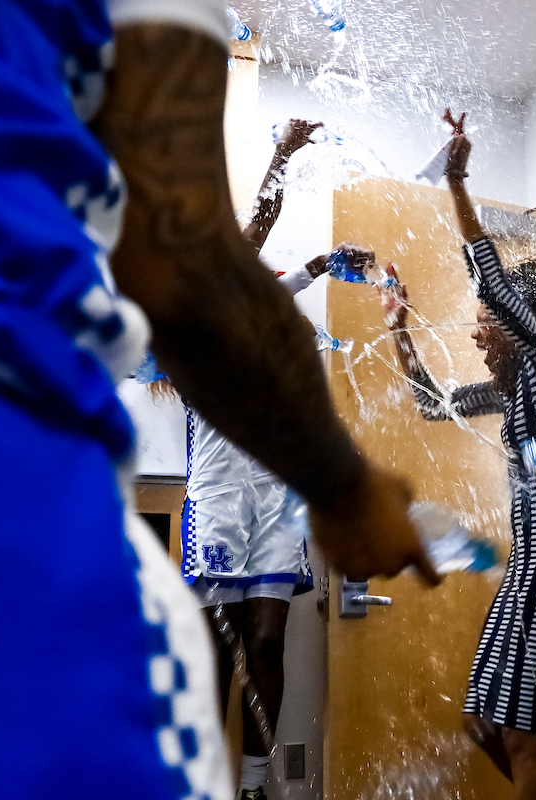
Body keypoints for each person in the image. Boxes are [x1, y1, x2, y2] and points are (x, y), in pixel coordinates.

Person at [0, 3, 435, 798]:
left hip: (176, 481)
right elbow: (198, 264)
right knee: (189, 653)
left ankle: (254, 779)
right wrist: (344, 485)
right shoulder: (183, 325)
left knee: (256, 646)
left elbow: (213, 264)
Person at [379, 109, 536, 800]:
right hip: (535, 551)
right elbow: (431, 403)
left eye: (487, 328)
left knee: (521, 735)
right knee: (483, 720)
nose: (481, 337)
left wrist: (455, 181)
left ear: (523, 324)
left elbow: (497, 284)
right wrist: (401, 331)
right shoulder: (510, 389)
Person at [177, 121, 370, 800]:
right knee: (212, 652)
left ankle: (256, 786)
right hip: (220, 500)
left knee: (266, 643)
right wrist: (281, 155)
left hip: (276, 498)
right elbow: (256, 229)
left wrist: (320, 266)